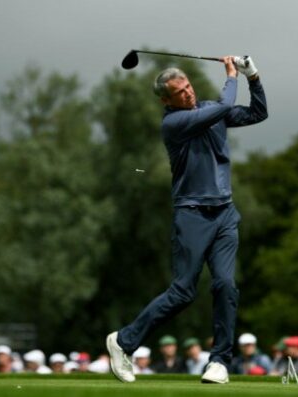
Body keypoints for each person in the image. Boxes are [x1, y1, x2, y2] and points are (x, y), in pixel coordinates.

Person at [106, 54, 267, 385]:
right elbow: (223, 107)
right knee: (183, 292)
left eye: (189, 86)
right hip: (191, 213)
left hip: (224, 213)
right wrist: (232, 74)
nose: (188, 93)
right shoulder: (173, 124)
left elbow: (257, 113)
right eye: (179, 92)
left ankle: (220, 361)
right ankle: (123, 341)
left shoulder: (209, 109)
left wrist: (255, 79)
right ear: (166, 100)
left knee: (225, 285)